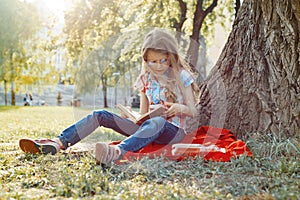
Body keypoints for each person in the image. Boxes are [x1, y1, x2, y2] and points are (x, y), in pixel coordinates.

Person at [19, 29, 198, 165]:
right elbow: (143, 114)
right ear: (145, 60)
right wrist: (133, 117)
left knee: (158, 122)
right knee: (100, 115)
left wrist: (179, 108)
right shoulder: (145, 79)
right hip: (147, 130)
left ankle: (117, 152)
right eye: (152, 61)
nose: (158, 66)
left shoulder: (181, 76)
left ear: (171, 57)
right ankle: (59, 142)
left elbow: (193, 110)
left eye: (163, 61)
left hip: (173, 133)